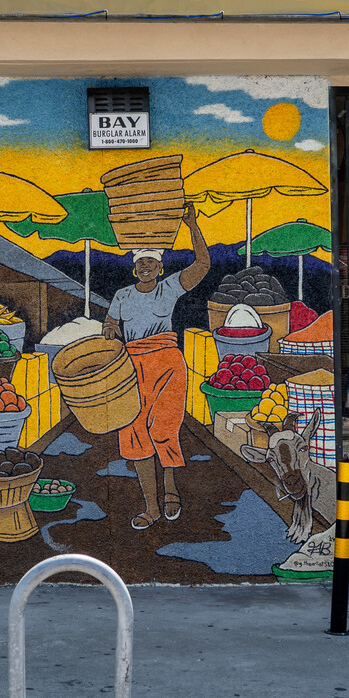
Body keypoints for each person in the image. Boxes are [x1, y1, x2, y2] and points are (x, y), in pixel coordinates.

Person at [104, 204, 210, 529]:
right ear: (134, 267)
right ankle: (150, 507)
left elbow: (203, 264)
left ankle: (171, 490)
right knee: (135, 433)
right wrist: (110, 332)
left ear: (160, 266)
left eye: (150, 260)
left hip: (166, 364)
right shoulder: (122, 295)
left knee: (163, 428)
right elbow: (110, 324)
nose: (145, 265)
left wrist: (192, 225)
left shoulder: (170, 287)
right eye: (140, 261)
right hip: (131, 369)